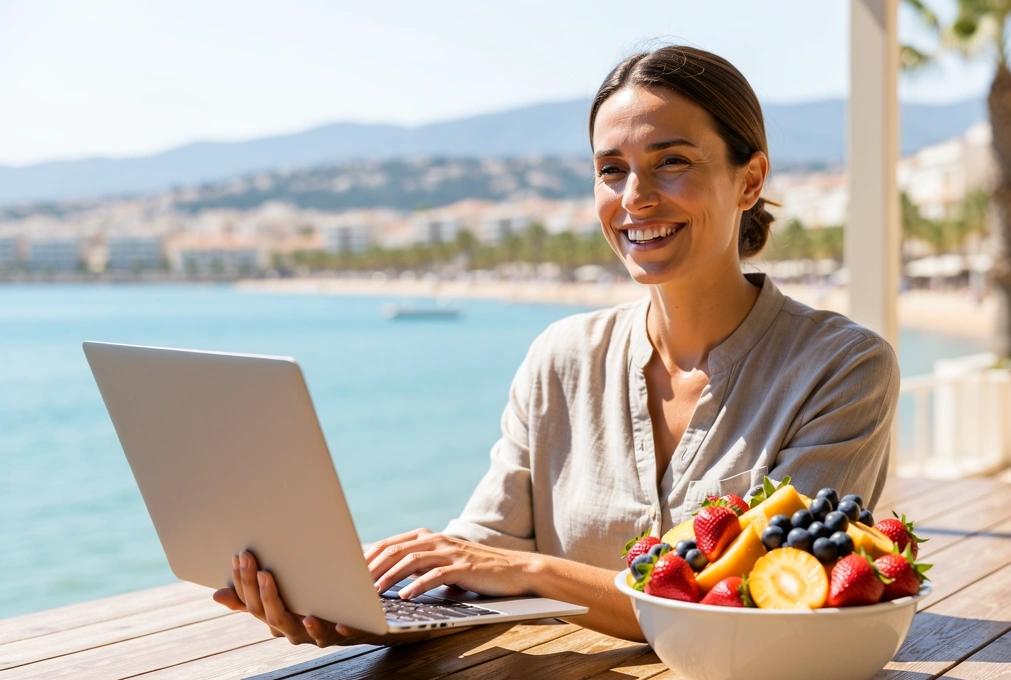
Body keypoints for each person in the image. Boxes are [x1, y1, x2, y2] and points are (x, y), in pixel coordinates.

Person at [214, 46, 900, 645]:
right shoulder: (562, 357)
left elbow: (765, 594)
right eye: (611, 169)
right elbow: (483, 552)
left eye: (672, 162)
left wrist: (532, 573)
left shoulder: (842, 368)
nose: (635, 198)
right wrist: (369, 609)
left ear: (750, 180)